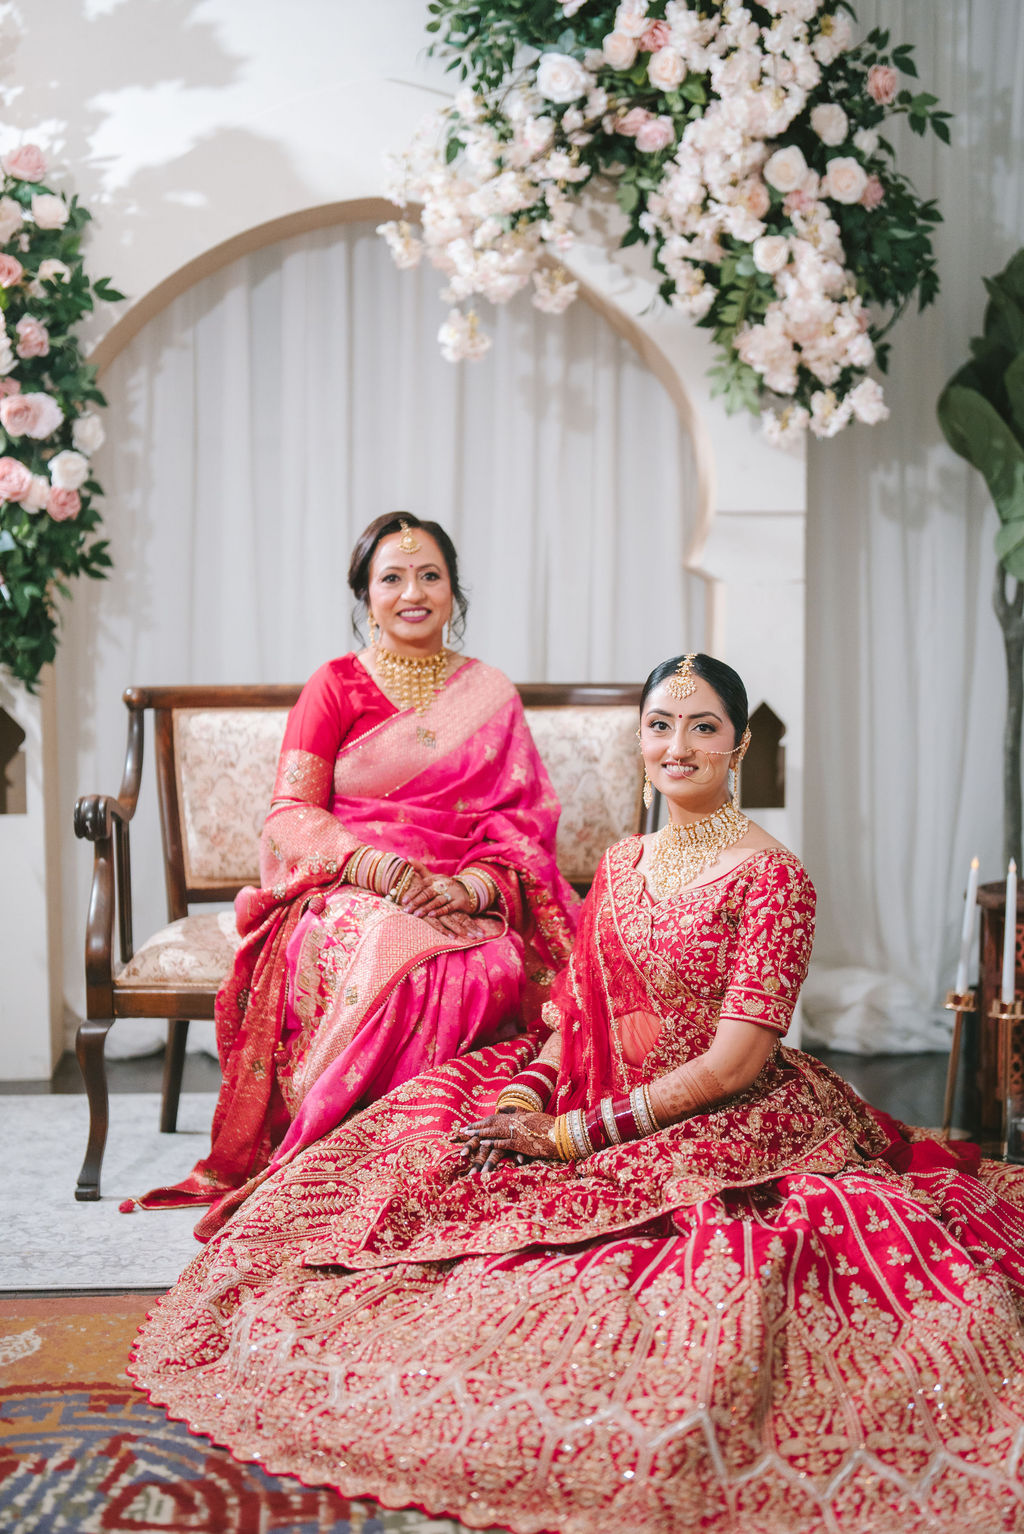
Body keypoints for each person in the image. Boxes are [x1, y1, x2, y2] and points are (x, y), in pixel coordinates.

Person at [130, 652, 1024, 1532]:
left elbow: (735, 1065)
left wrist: (571, 1138)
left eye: (703, 727)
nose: (678, 746)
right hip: (590, 1093)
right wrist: (527, 1097)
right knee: (411, 1169)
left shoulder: (774, 878)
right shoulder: (624, 863)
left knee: (674, 1283)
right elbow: (572, 1016)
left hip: (726, 1118)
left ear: (739, 744)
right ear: (641, 740)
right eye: (661, 725)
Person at [135, 512, 579, 1212]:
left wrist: (471, 887)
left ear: (454, 591)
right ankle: (351, 1150)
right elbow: (290, 814)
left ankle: (439, 1141)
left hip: (459, 890)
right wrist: (377, 870)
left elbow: (522, 820)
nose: (413, 592)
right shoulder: (335, 685)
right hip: (352, 885)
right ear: (366, 596)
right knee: (394, 948)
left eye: (430, 575)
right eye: (392, 578)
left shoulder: (491, 694)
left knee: (489, 963)